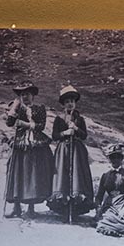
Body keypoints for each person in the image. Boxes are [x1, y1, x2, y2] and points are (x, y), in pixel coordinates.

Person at [2, 83, 55, 218]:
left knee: (32, 174)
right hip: (20, 143)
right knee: (17, 173)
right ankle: (16, 207)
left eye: (27, 94)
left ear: (33, 96)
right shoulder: (17, 109)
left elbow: (41, 126)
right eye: (22, 94)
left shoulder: (39, 109)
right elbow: (9, 123)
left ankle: (31, 208)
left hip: (35, 144)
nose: (25, 97)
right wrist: (13, 108)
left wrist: (24, 124)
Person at [46, 86, 94, 219]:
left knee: (77, 177)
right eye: (67, 101)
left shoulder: (80, 119)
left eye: (72, 101)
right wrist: (65, 132)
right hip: (63, 151)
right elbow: (55, 136)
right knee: (63, 176)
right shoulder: (59, 118)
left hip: (77, 151)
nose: (70, 103)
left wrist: (76, 128)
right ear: (63, 104)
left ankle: (76, 208)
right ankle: (63, 208)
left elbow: (84, 136)